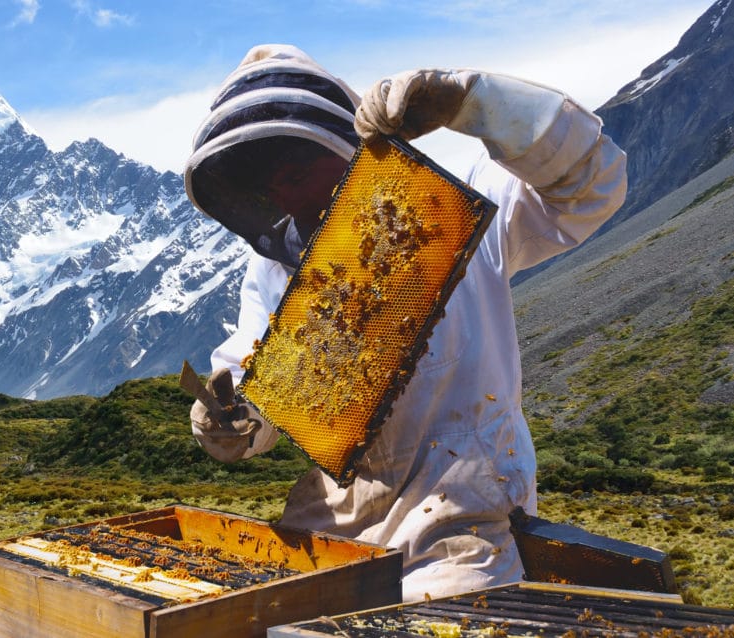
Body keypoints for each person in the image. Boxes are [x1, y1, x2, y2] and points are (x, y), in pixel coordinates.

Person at [183, 45, 626, 602]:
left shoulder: (456, 194)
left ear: (340, 144)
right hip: (336, 519)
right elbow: (259, 381)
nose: (287, 197)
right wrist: (231, 415)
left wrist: (473, 102)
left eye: (296, 174)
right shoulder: (274, 267)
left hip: (464, 516)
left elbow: (591, 186)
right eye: (271, 189)